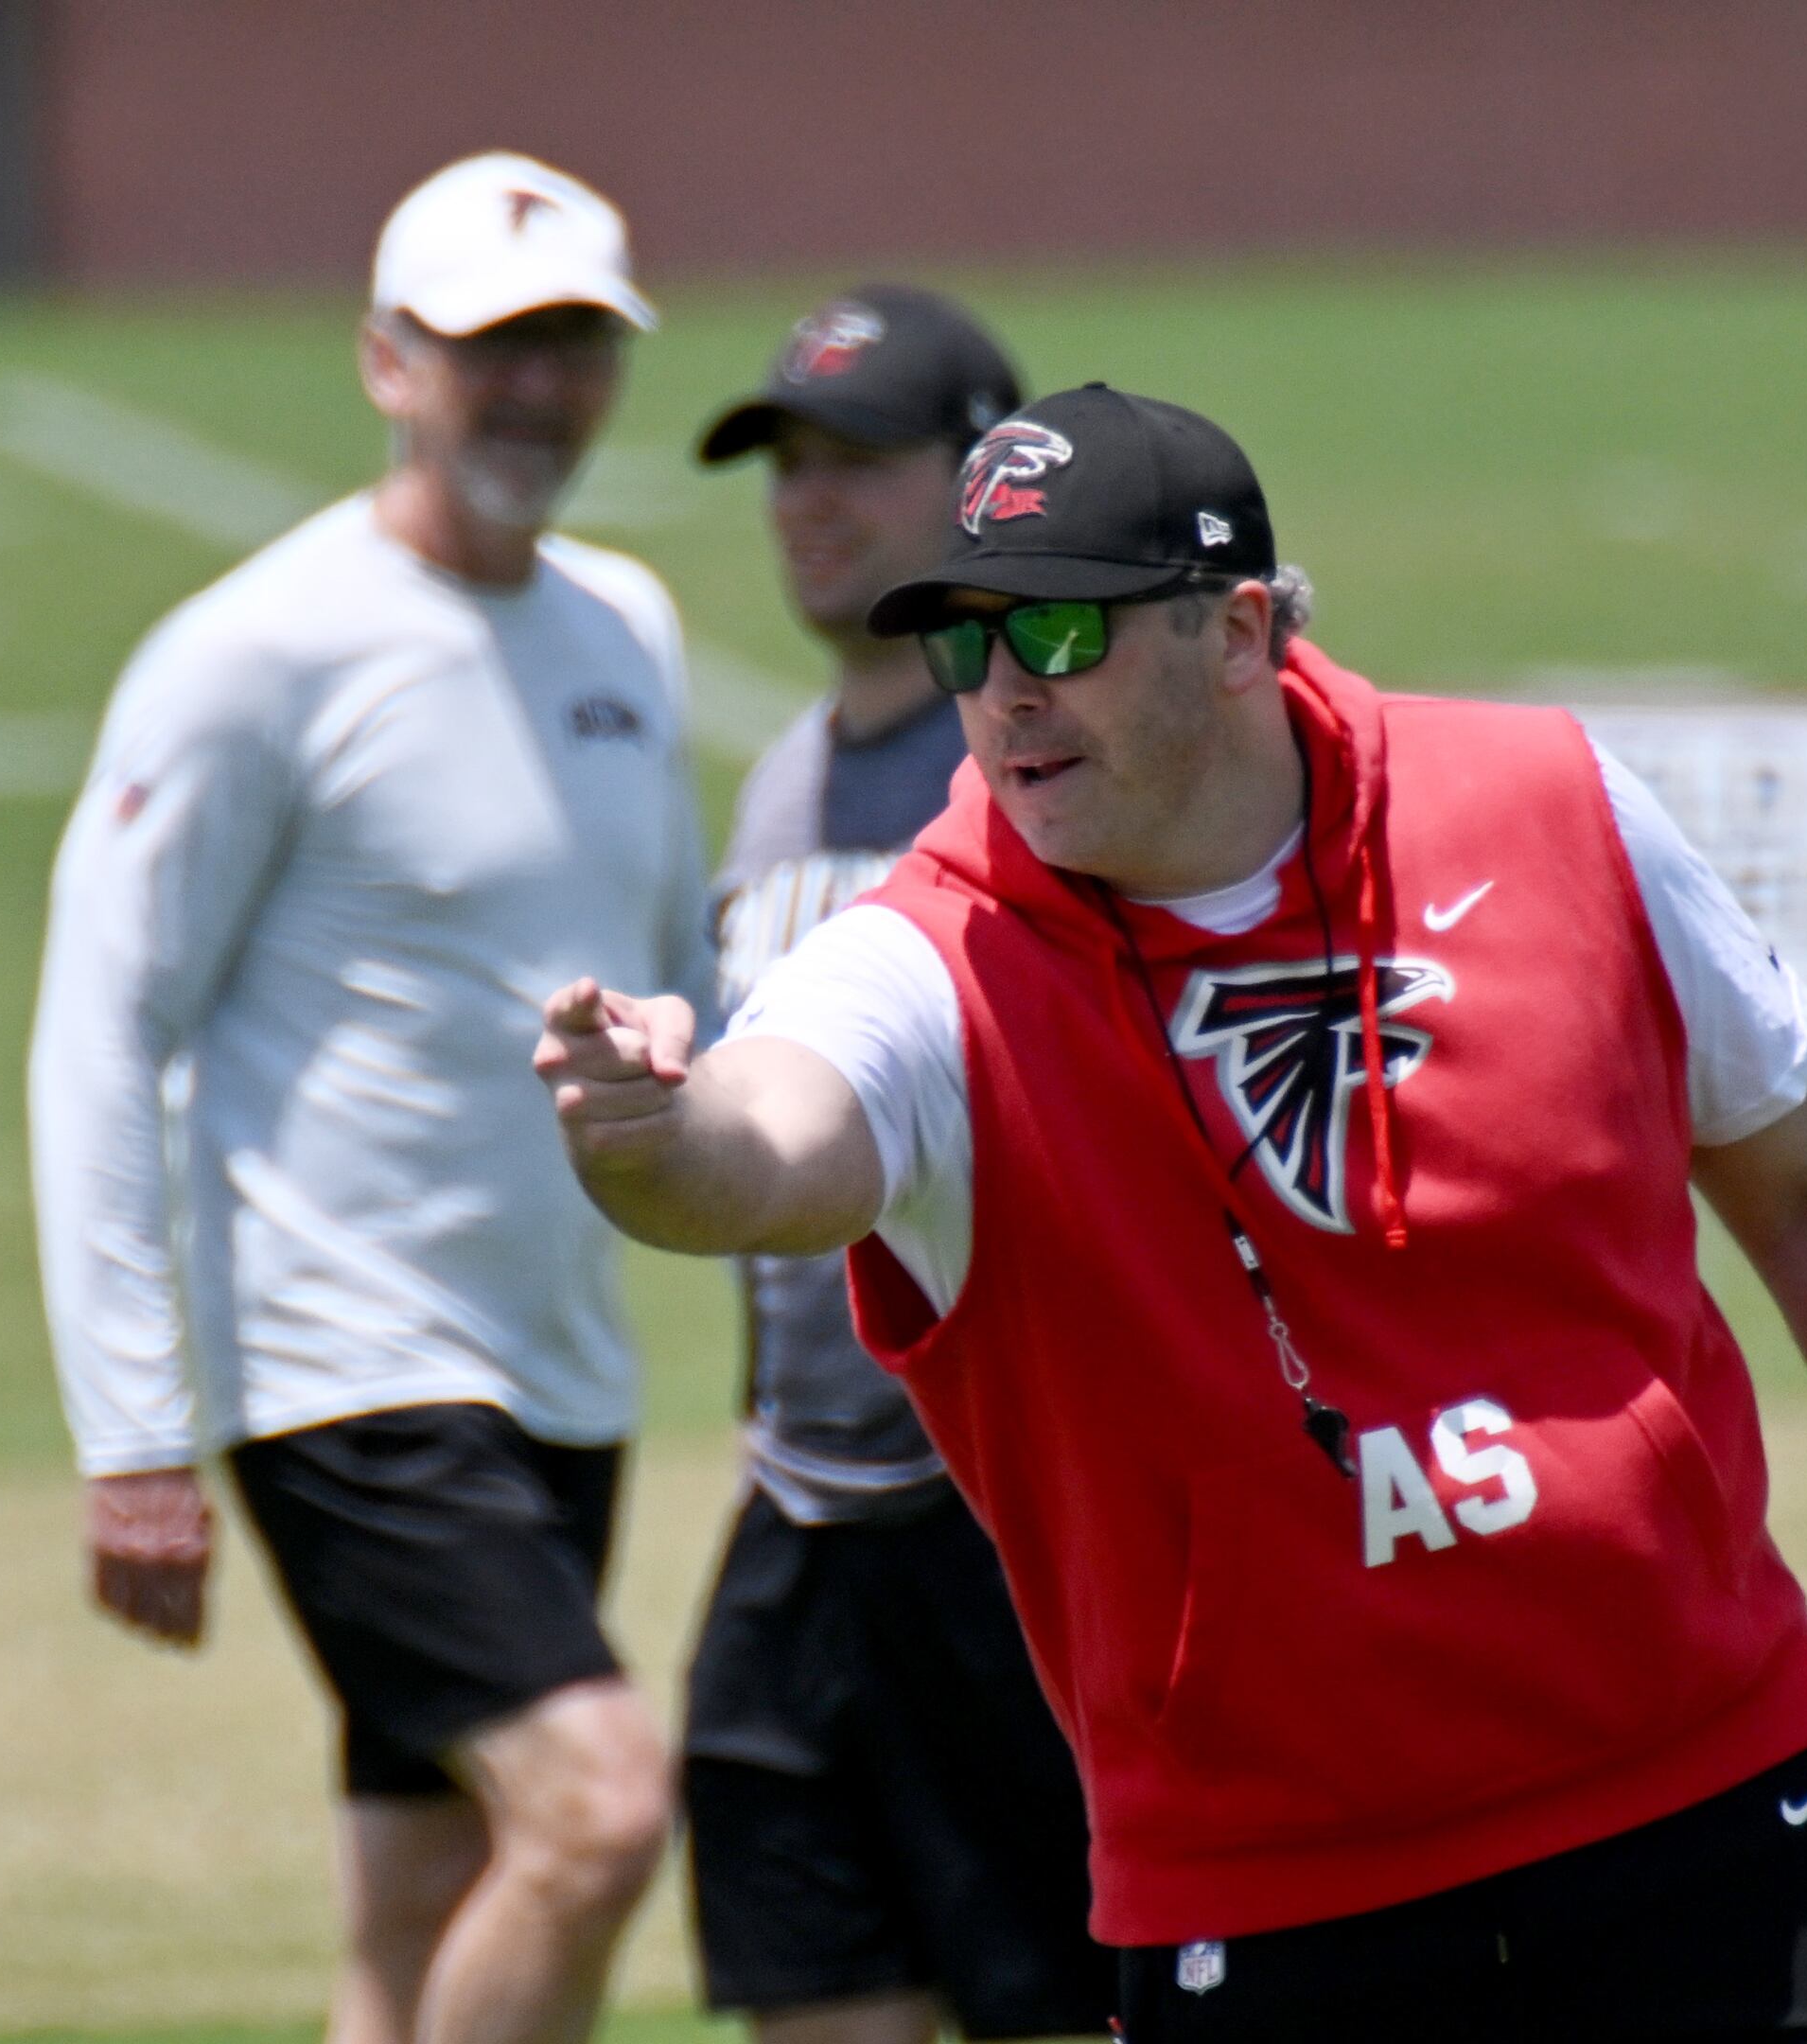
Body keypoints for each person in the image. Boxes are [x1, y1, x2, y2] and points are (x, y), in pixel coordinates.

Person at [535, 386, 1807, 2042]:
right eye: (966, 644)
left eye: (1063, 630)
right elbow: (765, 1154)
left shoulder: (1555, 806)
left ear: (1235, 632)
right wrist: (648, 1125)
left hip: (1724, 1815)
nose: (1006, 695)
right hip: (1283, 1912)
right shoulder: (933, 961)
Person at [26, 151, 713, 2044]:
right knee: (599, 1810)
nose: (540, 389)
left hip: (560, 1367)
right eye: (496, 346)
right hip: (349, 1371)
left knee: (418, 1917)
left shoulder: (627, 628)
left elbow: (684, 980)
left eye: (576, 344)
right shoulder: (256, 654)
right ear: (387, 361)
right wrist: (135, 1429)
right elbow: (103, 1024)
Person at [680, 288, 1109, 2044]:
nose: (807, 498)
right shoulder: (784, 781)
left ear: (986, 480)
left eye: (859, 460)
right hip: (801, 1513)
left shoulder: (1042, 773)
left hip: (1003, 1519)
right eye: (787, 459)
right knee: (810, 1980)